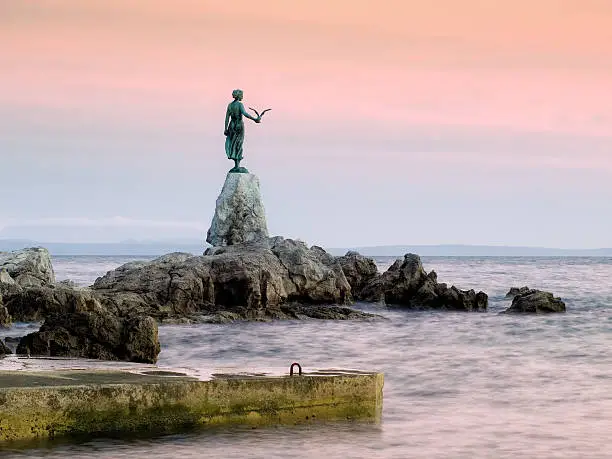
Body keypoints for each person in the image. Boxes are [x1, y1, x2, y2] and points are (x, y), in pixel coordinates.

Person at [224, 89, 260, 171]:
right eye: (242, 95)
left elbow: (227, 118)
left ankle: (236, 165)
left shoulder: (230, 105)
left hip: (231, 125)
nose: (242, 96)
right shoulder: (240, 104)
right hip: (239, 125)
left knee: (233, 143)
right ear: (239, 95)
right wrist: (254, 119)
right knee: (239, 144)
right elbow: (245, 113)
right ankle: (237, 165)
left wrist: (225, 128)